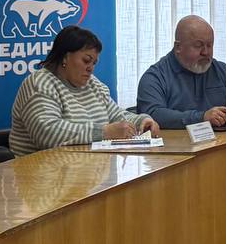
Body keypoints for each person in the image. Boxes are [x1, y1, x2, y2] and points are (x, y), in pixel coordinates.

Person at [9, 26, 159, 156]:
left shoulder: (93, 84)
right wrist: (104, 132)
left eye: (94, 63)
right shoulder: (40, 83)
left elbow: (117, 116)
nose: (91, 68)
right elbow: (47, 134)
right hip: (37, 173)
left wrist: (141, 122)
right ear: (65, 57)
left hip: (82, 168)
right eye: (86, 61)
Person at [134, 15, 226, 129]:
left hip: (218, 144)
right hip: (177, 147)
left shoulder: (221, 71)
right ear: (178, 47)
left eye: (209, 45)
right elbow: (152, 114)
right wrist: (201, 118)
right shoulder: (155, 77)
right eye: (198, 45)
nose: (205, 52)